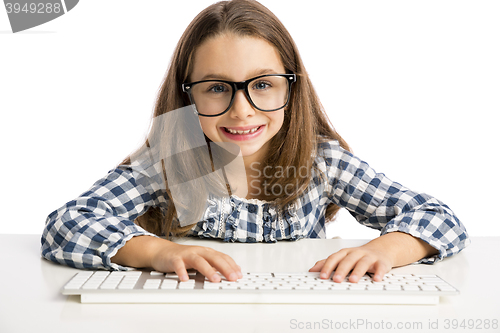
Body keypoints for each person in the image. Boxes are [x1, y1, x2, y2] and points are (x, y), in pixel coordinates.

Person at [41, 0, 469, 284]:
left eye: (262, 85)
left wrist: (386, 248)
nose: (242, 111)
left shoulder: (324, 163)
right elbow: (66, 224)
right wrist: (157, 252)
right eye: (216, 88)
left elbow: (438, 217)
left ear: (291, 89)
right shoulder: (167, 164)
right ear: (187, 94)